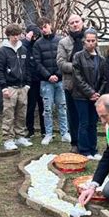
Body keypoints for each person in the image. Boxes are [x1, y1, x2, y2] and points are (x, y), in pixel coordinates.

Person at [33, 17, 70, 145]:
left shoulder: (60, 41)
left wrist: (58, 75)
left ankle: (64, 133)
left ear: (50, 25)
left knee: (62, 107)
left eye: (45, 26)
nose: (43, 30)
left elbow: (64, 59)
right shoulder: (38, 44)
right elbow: (37, 63)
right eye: (41, 28)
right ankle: (48, 134)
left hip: (60, 80)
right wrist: (48, 76)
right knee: (47, 109)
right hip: (46, 82)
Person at [0, 23, 32, 150]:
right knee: (8, 114)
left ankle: (20, 136)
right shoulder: (2, 51)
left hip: (23, 87)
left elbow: (27, 68)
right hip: (10, 87)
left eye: (18, 35)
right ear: (8, 36)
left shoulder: (23, 50)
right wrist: (4, 87)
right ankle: (8, 139)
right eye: (13, 36)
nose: (16, 38)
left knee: (22, 113)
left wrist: (28, 85)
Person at [72, 28, 106, 160]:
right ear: (84, 41)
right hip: (81, 96)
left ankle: (94, 149)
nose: (91, 43)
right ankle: (84, 150)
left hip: (96, 97)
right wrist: (90, 93)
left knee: (93, 123)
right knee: (84, 123)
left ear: (97, 41)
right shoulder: (78, 56)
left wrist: (98, 94)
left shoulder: (101, 58)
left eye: (93, 40)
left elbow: (104, 78)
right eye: (88, 41)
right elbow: (77, 77)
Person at [57, 14, 85, 153]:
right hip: (71, 84)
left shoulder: (89, 38)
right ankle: (75, 143)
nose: (75, 24)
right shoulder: (64, 42)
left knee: (87, 116)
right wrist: (78, 66)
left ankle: (88, 144)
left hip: (88, 84)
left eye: (77, 22)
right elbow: (61, 63)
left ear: (82, 22)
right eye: (72, 23)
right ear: (69, 25)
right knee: (73, 115)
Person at [22, 24, 45, 138]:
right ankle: (30, 130)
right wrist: (27, 39)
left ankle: (44, 130)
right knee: (30, 106)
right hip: (30, 81)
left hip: (41, 79)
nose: (34, 37)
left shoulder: (40, 44)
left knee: (43, 106)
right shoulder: (24, 45)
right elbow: (21, 50)